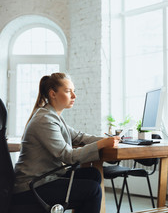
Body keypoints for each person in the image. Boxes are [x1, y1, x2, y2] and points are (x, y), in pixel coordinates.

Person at [12, 73, 120, 213]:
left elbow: (79, 137)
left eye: (74, 91)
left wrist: (108, 140)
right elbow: (68, 156)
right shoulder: (45, 119)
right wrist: (101, 144)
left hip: (46, 178)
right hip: (32, 186)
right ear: (53, 94)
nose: (74, 96)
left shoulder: (53, 116)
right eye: (69, 91)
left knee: (93, 174)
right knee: (92, 190)